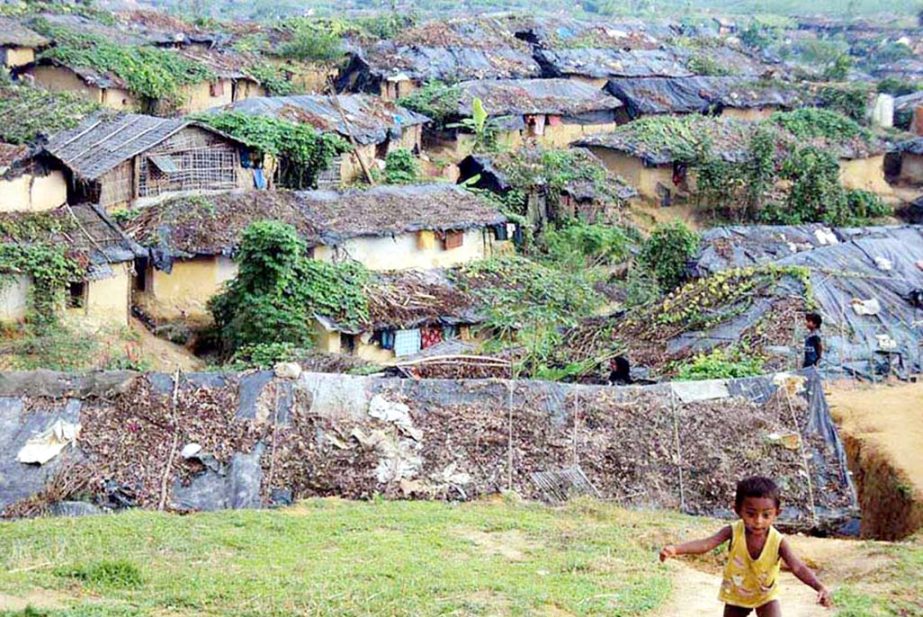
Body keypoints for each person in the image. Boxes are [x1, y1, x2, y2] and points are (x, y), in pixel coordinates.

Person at [659, 476, 832, 616]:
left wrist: (819, 587)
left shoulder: (778, 541)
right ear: (738, 510)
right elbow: (706, 544)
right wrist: (676, 549)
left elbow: (798, 567)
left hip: (766, 596)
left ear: (776, 514)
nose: (758, 521)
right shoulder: (733, 532)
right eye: (751, 514)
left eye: (766, 515)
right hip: (737, 595)